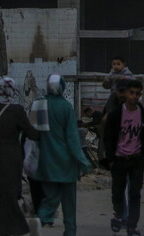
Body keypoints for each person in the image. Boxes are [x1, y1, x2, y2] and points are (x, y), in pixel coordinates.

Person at [36, 75, 92, 235]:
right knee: (69, 203)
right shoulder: (66, 108)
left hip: (46, 162)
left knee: (50, 199)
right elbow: (73, 140)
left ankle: (40, 219)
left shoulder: (39, 105)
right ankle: (70, 231)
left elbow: (34, 134)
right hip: (66, 164)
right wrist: (84, 162)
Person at [103, 79, 144, 236]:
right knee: (117, 192)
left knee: (135, 193)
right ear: (126, 93)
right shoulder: (116, 114)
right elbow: (108, 137)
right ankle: (119, 216)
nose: (134, 96)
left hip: (136, 160)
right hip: (119, 159)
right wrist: (111, 159)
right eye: (132, 93)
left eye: (138, 94)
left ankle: (132, 225)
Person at [0, 76, 39, 236]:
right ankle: (17, 228)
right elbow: (32, 133)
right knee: (10, 193)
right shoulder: (16, 110)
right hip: (10, 157)